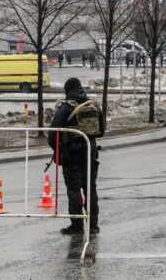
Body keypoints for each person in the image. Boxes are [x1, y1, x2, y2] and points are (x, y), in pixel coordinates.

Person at [49, 78, 105, 235]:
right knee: (90, 189)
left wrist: (59, 149)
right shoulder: (93, 106)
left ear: (67, 91)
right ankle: (93, 225)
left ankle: (77, 226)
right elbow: (101, 131)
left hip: (72, 155)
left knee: (74, 190)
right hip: (90, 153)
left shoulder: (66, 108)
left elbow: (52, 134)